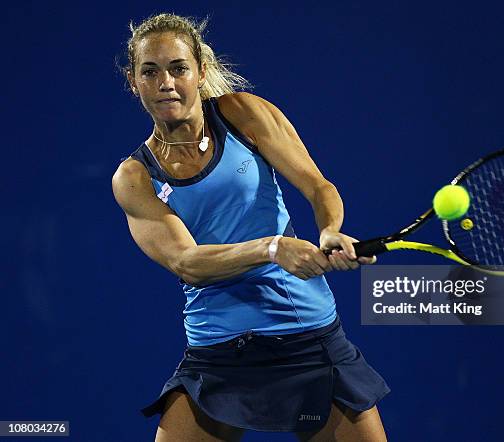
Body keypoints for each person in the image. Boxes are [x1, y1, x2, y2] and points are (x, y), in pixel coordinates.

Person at [112, 13, 390, 441]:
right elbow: (187, 262)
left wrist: (330, 229)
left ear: (200, 72)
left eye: (178, 68)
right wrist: (272, 248)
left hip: (305, 337)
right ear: (134, 82)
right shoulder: (135, 177)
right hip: (217, 351)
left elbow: (318, 187)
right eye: (150, 71)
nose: (166, 82)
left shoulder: (242, 113)